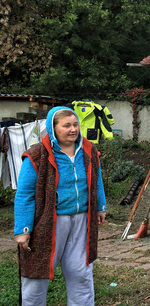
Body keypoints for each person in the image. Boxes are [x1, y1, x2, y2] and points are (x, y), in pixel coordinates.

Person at [14, 106, 107, 305]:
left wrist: (100, 206)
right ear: (53, 128)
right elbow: (25, 194)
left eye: (75, 125)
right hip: (47, 224)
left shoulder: (88, 150)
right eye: (66, 126)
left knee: (80, 272)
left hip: (81, 221)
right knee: (37, 274)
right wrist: (23, 229)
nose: (73, 129)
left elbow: (96, 180)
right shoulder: (37, 155)